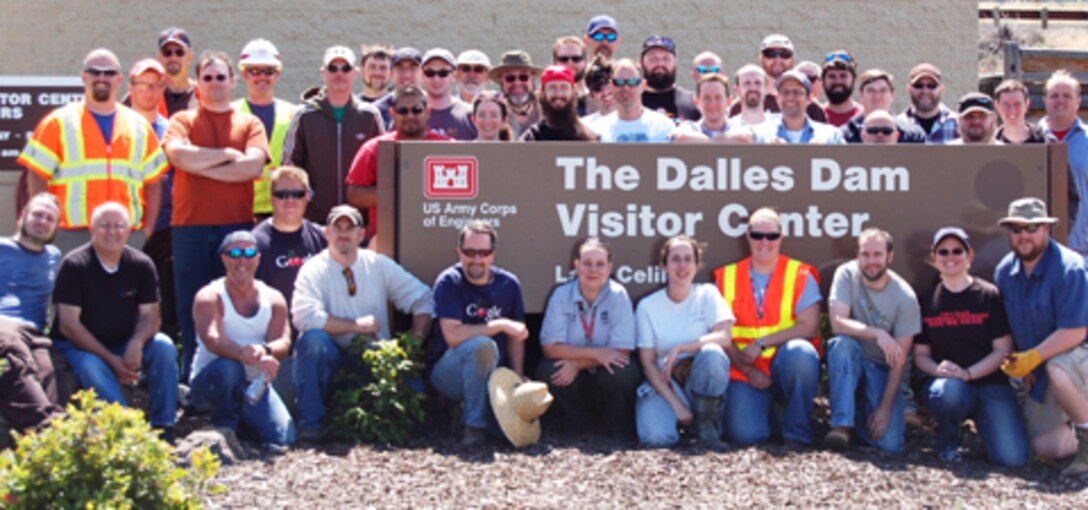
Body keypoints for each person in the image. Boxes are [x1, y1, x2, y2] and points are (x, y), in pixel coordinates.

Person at [163, 50, 270, 381]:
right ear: (199, 83)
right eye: (207, 77)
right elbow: (177, 155)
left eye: (220, 77)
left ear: (233, 81)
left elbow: (253, 165)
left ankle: (234, 373)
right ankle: (192, 378)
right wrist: (225, 155)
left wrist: (201, 166)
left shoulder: (248, 122)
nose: (214, 83)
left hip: (235, 227)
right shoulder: (182, 121)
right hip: (189, 228)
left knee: (232, 303)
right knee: (190, 305)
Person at [291, 205, 433, 442]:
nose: (343, 234)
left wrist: (411, 346)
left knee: (414, 395)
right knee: (312, 341)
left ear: (362, 234)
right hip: (331, 359)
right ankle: (310, 426)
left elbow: (424, 299)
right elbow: (304, 317)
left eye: (350, 228)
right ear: (327, 233)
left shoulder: (378, 265)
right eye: (337, 228)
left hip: (374, 358)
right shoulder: (313, 269)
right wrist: (355, 325)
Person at [51, 202, 178, 442]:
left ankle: (164, 427)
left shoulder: (141, 264)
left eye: (119, 226)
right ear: (92, 229)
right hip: (79, 346)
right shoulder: (75, 264)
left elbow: (151, 315)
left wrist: (136, 343)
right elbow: (69, 324)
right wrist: (113, 361)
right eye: (105, 226)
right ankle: (129, 430)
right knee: (91, 367)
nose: (112, 232)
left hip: (123, 342)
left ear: (129, 230)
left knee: (163, 346)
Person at [20, 48, 167, 253]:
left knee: (121, 287)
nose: (101, 77)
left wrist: (146, 231)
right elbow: (36, 175)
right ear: (84, 77)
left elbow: (153, 183)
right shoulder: (58, 122)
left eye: (108, 73)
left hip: (124, 234)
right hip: (71, 234)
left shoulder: (139, 126)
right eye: (95, 71)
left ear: (119, 79)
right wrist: (47, 225)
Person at [915, 227, 1028, 466]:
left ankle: (987, 425)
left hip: (990, 384)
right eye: (943, 252)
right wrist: (938, 371)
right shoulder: (926, 300)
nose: (950, 257)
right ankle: (948, 442)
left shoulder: (988, 295)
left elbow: (1003, 350)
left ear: (970, 256)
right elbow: (920, 355)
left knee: (1013, 458)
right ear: (933, 258)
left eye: (958, 251)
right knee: (947, 392)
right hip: (949, 385)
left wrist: (968, 374)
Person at [994, 197, 1088, 476]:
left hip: (1077, 358)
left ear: (1046, 229)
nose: (1024, 236)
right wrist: (1022, 364)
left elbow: (1075, 332)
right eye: (1016, 229)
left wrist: (1034, 357)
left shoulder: (1070, 268)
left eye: (1032, 228)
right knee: (1044, 447)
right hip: (1041, 369)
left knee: (1057, 368)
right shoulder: (1004, 273)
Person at [714, 208, 822, 446]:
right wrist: (749, 371)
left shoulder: (800, 274)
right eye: (757, 235)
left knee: (801, 353)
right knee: (746, 436)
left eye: (771, 236)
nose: (764, 242)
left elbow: (810, 326)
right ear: (747, 235)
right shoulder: (727, 277)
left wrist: (761, 343)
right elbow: (720, 336)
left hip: (785, 366)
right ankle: (774, 414)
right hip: (745, 371)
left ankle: (797, 433)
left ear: (781, 237)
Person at [190, 230, 296, 450]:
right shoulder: (209, 296)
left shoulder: (273, 297)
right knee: (230, 369)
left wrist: (264, 350)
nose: (242, 260)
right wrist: (244, 354)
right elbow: (212, 339)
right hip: (212, 382)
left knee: (284, 438)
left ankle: (245, 424)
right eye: (235, 252)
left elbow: (284, 343)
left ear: (258, 258)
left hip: (253, 385)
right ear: (224, 258)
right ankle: (225, 427)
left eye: (249, 253)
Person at [430, 221, 529, 446]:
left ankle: (470, 412)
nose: (476, 259)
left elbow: (517, 337)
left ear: (493, 255)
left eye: (483, 253)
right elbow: (453, 336)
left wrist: (518, 376)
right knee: (482, 345)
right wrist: (500, 324)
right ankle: (474, 427)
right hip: (448, 374)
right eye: (469, 252)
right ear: (459, 252)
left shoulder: (509, 284)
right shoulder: (449, 282)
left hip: (493, 376)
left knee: (511, 436)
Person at [825, 228, 920, 454]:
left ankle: (859, 414)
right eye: (865, 254)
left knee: (890, 444)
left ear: (890, 256)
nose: (871, 261)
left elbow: (900, 360)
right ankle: (842, 427)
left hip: (881, 368)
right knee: (841, 345)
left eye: (877, 254)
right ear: (857, 255)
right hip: (853, 359)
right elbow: (837, 322)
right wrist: (877, 333)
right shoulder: (846, 274)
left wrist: (885, 408)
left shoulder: (905, 297)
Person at [537, 238, 640, 440]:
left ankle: (619, 428)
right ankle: (573, 425)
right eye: (587, 263)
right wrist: (595, 354)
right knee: (548, 370)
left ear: (609, 268)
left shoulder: (618, 295)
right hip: (585, 367)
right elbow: (550, 348)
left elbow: (622, 350)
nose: (593, 270)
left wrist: (577, 365)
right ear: (576, 266)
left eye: (600, 264)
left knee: (622, 370)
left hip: (605, 369)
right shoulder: (561, 295)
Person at [635, 235, 733, 448]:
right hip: (665, 382)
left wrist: (681, 347)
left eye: (688, 259)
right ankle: (685, 423)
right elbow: (648, 364)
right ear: (664, 265)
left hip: (699, 380)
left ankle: (706, 426)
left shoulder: (708, 294)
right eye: (675, 259)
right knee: (657, 438)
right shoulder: (647, 306)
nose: (682, 265)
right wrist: (677, 405)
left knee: (713, 353)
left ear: (696, 266)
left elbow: (725, 337)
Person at [282, 45, 384, 224]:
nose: (339, 73)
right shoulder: (305, 115)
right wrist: (308, 196)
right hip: (314, 219)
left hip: (359, 221)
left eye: (345, 68)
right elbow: (289, 165)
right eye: (333, 68)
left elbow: (383, 163)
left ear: (355, 73)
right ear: (324, 72)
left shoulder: (370, 115)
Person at [346, 86, 451, 249]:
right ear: (392, 113)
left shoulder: (448, 147)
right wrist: (396, 192)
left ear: (428, 112)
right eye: (403, 110)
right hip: (387, 242)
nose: (410, 116)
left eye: (416, 110)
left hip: (438, 240)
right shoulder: (374, 148)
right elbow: (354, 194)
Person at [0, 194, 66, 440]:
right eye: (37, 214)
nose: (42, 221)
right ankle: (49, 431)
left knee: (47, 369)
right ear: (23, 216)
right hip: (2, 324)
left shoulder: (54, 255)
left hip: (35, 332)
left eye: (50, 218)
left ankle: (39, 451)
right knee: (17, 359)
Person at [126, 58, 180, 342]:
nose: (149, 91)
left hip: (163, 230)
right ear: (131, 87)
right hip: (125, 228)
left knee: (163, 303)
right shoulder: (118, 125)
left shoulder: (172, 130)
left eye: (156, 85)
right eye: (142, 85)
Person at [251, 166, 327, 324]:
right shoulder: (255, 243)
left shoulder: (321, 237)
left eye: (297, 194)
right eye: (282, 195)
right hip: (271, 332)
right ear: (271, 198)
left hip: (314, 329)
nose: (290, 201)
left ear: (307, 197)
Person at [232, 39, 297, 218]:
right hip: (239, 208)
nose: (262, 77)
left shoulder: (293, 113)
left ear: (277, 74)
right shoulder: (231, 113)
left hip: (281, 208)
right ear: (244, 74)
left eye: (268, 71)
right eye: (255, 71)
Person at [1038, 70, 1088, 254]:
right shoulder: (1032, 139)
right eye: (1054, 96)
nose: (1060, 101)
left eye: (1067, 96)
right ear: (1045, 101)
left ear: (1078, 101)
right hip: (1038, 250)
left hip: (1082, 248)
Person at [727, 35, 826, 122]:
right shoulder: (742, 105)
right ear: (761, 59)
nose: (778, 59)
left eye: (785, 54)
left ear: (793, 59)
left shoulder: (809, 105)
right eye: (770, 54)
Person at [589, 59, 675, 143]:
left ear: (643, 85)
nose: (626, 88)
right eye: (619, 82)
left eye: (633, 82)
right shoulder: (597, 131)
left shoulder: (663, 127)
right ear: (611, 85)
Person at [756, 70, 845, 144]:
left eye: (797, 92)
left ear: (809, 98)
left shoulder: (831, 136)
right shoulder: (761, 136)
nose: (790, 97)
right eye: (785, 92)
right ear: (777, 98)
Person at [671, 74, 762, 144]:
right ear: (696, 101)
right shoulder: (689, 127)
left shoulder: (739, 126)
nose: (712, 103)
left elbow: (745, 137)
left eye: (718, 97)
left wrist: (708, 142)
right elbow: (680, 137)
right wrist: (718, 142)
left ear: (729, 101)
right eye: (707, 98)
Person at [841, 69, 926, 144]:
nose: (877, 96)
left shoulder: (913, 135)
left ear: (892, 95)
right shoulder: (844, 135)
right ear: (861, 95)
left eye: (883, 90)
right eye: (871, 90)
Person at [519, 66, 598, 142]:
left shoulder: (588, 139)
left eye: (564, 87)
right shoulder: (531, 139)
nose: (558, 94)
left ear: (574, 92)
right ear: (542, 92)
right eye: (552, 87)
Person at [640, 35, 699, 123]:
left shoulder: (694, 102)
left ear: (675, 62)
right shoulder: (631, 103)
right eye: (653, 59)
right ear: (641, 62)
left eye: (666, 59)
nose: (660, 64)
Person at [420, 48, 476, 140]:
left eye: (443, 73)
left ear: (454, 76)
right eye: (430, 73)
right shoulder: (411, 114)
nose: (436, 79)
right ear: (422, 75)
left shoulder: (469, 115)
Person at [896, 63, 959, 144]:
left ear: (941, 89)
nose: (925, 91)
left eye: (931, 86)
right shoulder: (898, 126)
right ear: (909, 89)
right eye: (919, 85)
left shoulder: (958, 125)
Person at [489, 50, 542, 138]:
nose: (517, 83)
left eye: (523, 77)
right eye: (510, 78)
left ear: (532, 79)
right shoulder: (493, 113)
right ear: (501, 81)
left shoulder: (546, 111)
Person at [371, 47, 424, 128]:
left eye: (413, 68)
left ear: (422, 73)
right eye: (400, 69)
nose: (406, 75)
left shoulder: (433, 107)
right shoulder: (376, 112)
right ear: (391, 73)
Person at [156, 27, 199, 116]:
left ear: (190, 57)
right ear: (159, 58)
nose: (173, 58)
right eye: (167, 52)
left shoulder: (203, 95)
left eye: (179, 52)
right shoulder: (145, 93)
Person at [993, 79, 1049, 144]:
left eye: (1017, 104)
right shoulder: (991, 143)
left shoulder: (1045, 141)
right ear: (997, 106)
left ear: (1027, 105)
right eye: (1006, 104)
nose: (1012, 110)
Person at [821, 50, 863, 127]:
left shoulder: (865, 119)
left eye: (843, 76)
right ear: (823, 81)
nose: (838, 82)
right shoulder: (813, 118)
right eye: (832, 76)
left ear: (854, 80)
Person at [551, 37, 590, 115]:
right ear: (554, 63)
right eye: (563, 59)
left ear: (586, 61)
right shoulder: (546, 100)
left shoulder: (598, 97)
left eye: (576, 58)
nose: (570, 63)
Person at [729, 64, 773, 130]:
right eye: (747, 83)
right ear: (736, 89)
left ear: (766, 88)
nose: (753, 88)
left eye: (757, 83)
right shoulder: (729, 129)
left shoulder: (779, 126)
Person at [580, 57, 615, 125]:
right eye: (597, 87)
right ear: (591, 95)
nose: (605, 91)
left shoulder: (638, 119)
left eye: (608, 84)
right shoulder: (585, 127)